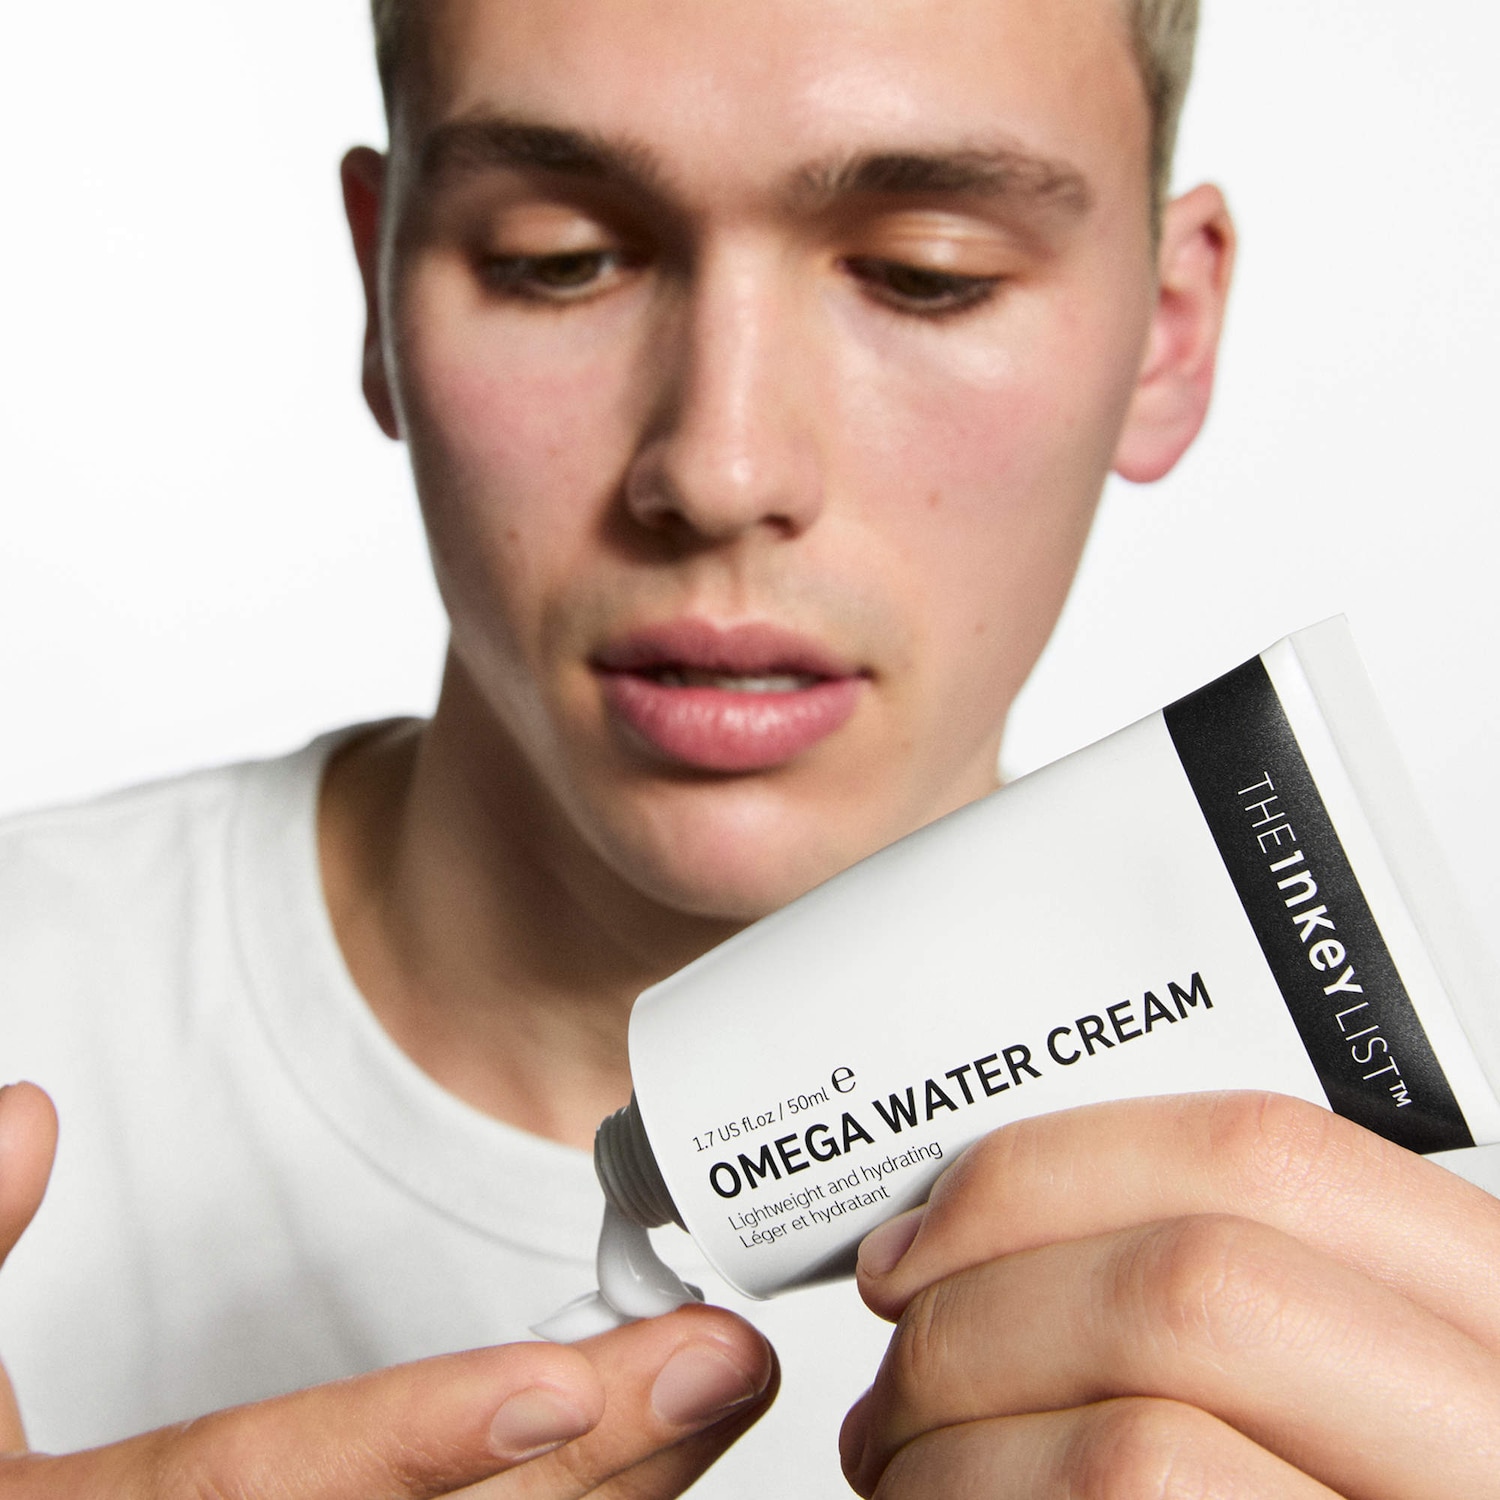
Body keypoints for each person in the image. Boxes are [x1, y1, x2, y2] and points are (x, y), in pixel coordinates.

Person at [1, 2, 1497, 1498]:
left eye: (927, 275)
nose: (721, 471)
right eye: (557, 259)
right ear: (377, 285)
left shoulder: (1433, 1283)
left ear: (1167, 333)